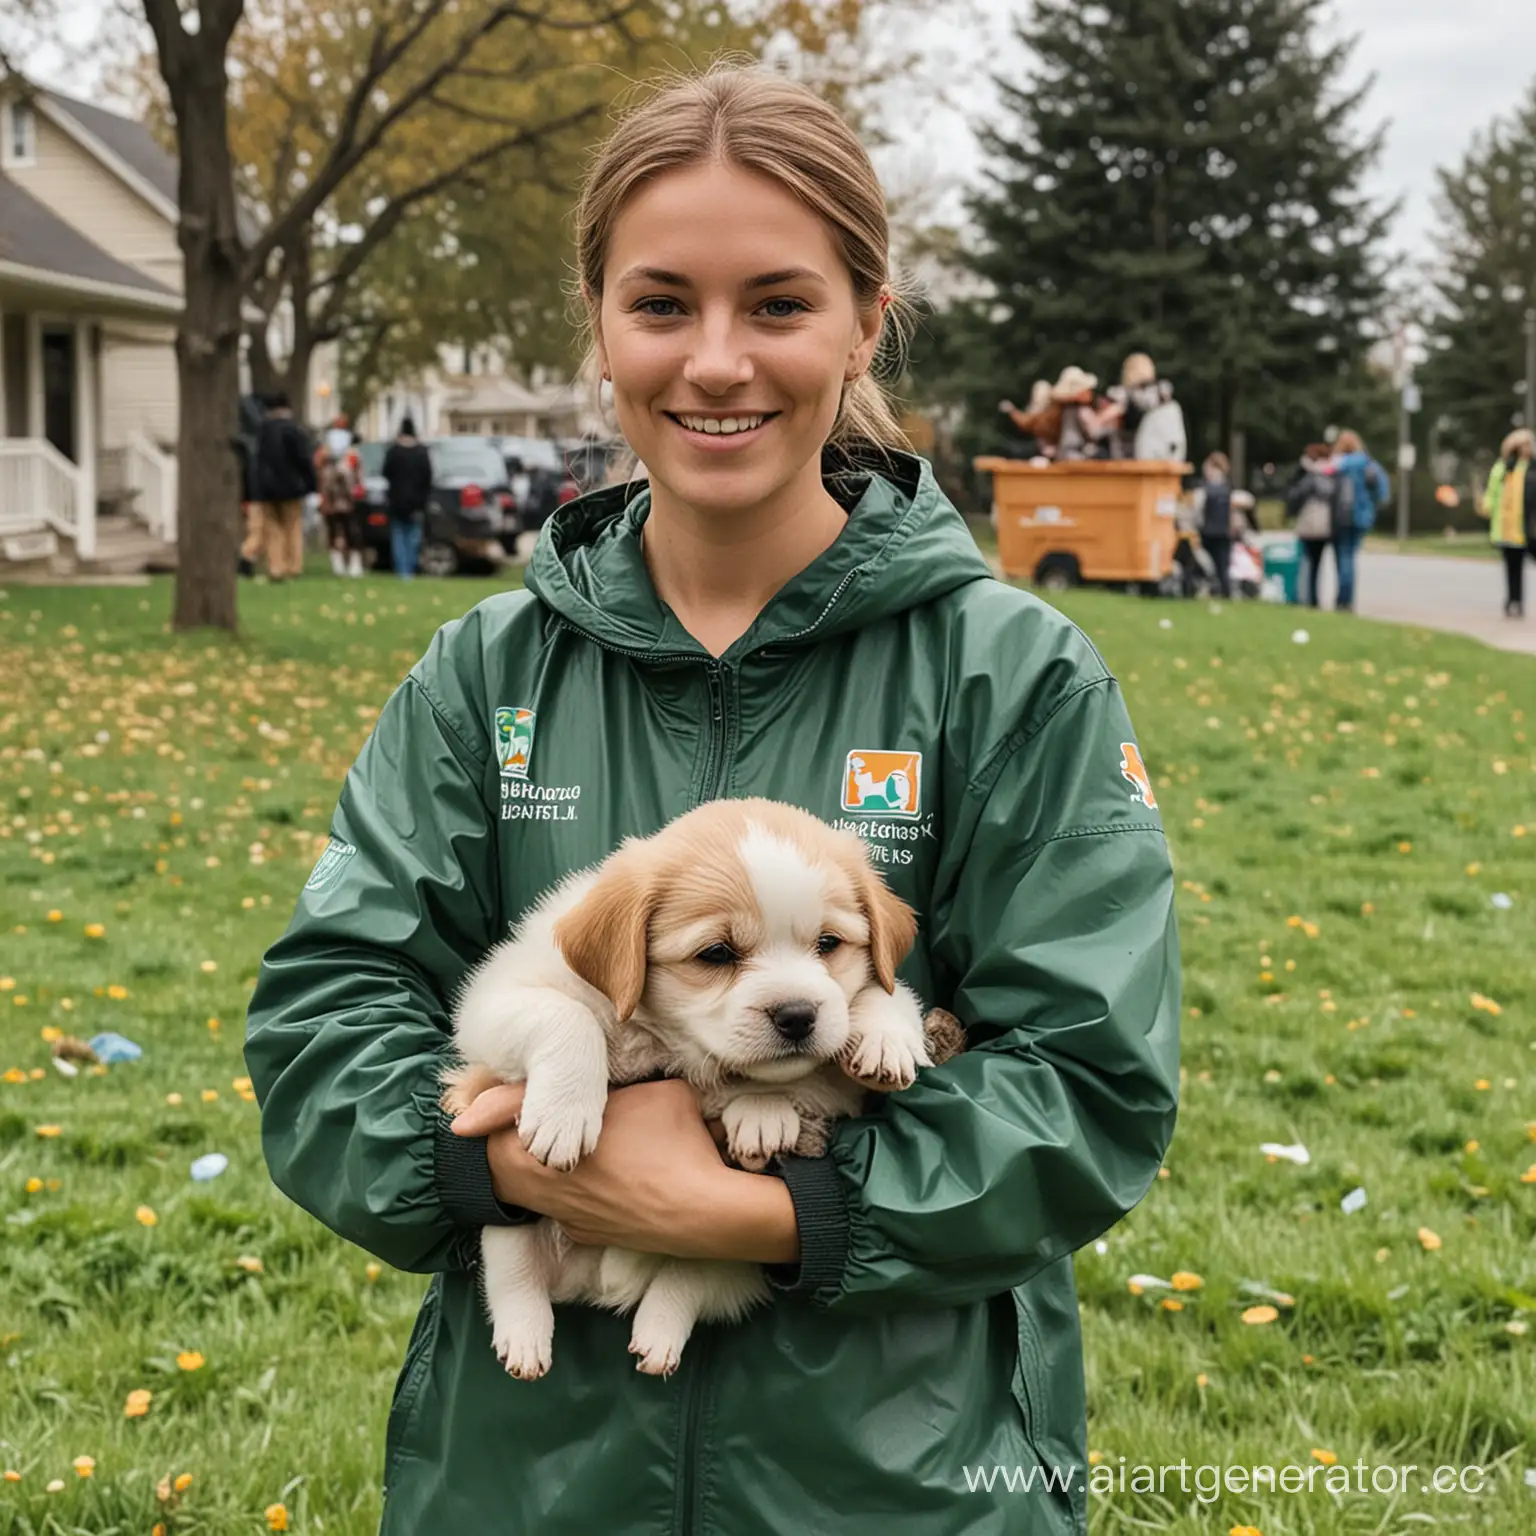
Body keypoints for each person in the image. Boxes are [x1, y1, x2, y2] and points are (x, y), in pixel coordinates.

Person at [244, 65, 1179, 1536]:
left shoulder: (1013, 673)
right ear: (600, 327)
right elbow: (324, 1014)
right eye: (664, 303)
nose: (718, 362)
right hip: (531, 1479)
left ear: (869, 320)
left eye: (782, 305)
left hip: (905, 1483)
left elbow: (1092, 1080)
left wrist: (763, 1211)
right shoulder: (486, 671)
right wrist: (494, 1162)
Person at [250, 390, 316, 582]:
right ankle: (293, 566)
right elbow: (303, 459)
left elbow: (258, 461)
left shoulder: (262, 431)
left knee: (272, 529)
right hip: (292, 487)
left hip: (267, 488)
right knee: (293, 527)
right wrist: (310, 483)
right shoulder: (293, 430)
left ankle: (276, 567)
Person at [1329, 429, 1391, 613]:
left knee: (1342, 557)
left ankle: (1342, 598)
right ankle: (1348, 600)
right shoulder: (1368, 464)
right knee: (1351, 556)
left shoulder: (1337, 465)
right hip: (1362, 516)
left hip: (1339, 516)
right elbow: (1382, 492)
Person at [1480, 428, 1536, 617]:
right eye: (1523, 445)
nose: (1527, 449)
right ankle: (1513, 600)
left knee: (1519, 566)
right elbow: (1493, 492)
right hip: (1507, 528)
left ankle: (1516, 600)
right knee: (1512, 567)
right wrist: (1487, 506)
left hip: (1528, 527)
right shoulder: (1503, 468)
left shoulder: (1532, 468)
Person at [1285, 442, 1341, 607]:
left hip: (1309, 523)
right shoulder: (1333, 475)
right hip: (1326, 525)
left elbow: (1296, 496)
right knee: (1319, 563)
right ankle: (1315, 598)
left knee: (1307, 562)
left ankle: (1308, 597)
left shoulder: (1310, 476)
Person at [381, 416, 433, 579]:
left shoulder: (393, 452)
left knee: (398, 536)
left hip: (396, 501)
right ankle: (410, 567)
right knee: (413, 536)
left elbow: (385, 473)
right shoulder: (421, 452)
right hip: (417, 502)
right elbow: (428, 477)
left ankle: (402, 569)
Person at [318, 415, 365, 578]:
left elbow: (358, 476)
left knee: (351, 530)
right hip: (332, 498)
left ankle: (353, 563)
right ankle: (339, 564)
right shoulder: (324, 455)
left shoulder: (352, 455)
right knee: (335, 530)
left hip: (346, 499)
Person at [1190, 450, 1236, 599]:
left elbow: (1197, 511)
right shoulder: (1228, 488)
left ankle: (1209, 591)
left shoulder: (1204, 489)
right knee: (1223, 568)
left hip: (1208, 532)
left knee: (1205, 566)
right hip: (1224, 532)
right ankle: (1225, 594)